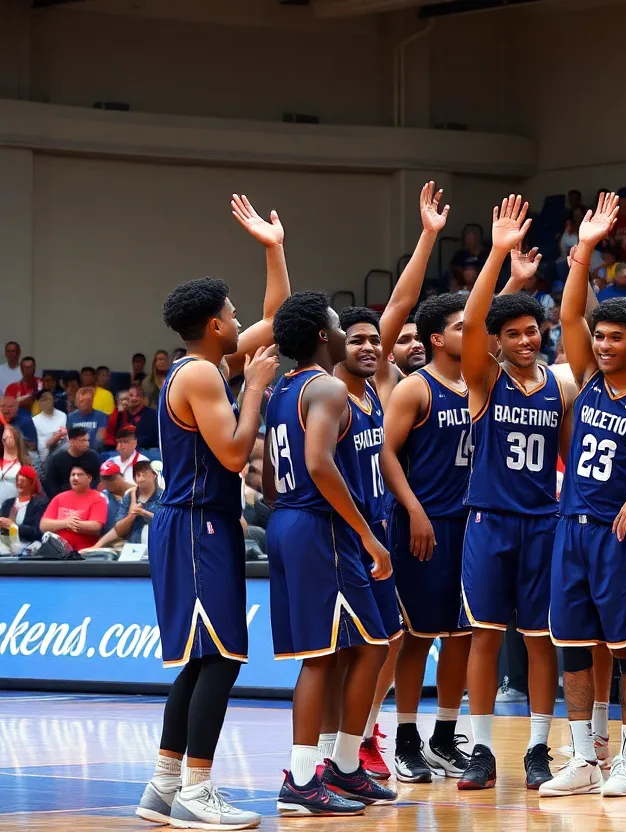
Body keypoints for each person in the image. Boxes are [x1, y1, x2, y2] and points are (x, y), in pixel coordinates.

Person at [136, 192, 289, 831]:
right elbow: (231, 455)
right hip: (198, 522)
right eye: (231, 312)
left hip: (199, 523)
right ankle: (198, 791)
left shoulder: (203, 364)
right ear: (216, 325)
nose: (238, 317)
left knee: (203, 660)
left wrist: (273, 248)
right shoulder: (202, 377)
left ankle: (163, 787)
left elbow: (277, 318)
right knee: (221, 659)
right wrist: (254, 389)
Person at [324, 184, 447, 781]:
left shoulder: (380, 385)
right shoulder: (329, 391)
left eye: (378, 340)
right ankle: (341, 749)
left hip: (383, 526)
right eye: (360, 340)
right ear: (333, 348)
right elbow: (397, 307)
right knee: (353, 647)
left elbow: (401, 307)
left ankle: (362, 740)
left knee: (389, 640)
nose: (374, 345)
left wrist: (427, 236)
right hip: (346, 531)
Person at [539, 193, 626, 798]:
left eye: (616, 337)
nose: (604, 345)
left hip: (621, 533)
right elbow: (567, 319)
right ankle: (584, 756)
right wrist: (583, 250)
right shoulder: (585, 381)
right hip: (572, 527)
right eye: (600, 337)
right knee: (573, 646)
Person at [457, 195, 574, 791]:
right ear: (498, 341)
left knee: (538, 639)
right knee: (484, 634)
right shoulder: (483, 381)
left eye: (533, 330)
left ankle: (536, 748)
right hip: (490, 520)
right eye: (515, 333)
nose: (526, 340)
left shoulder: (560, 385)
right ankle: (480, 749)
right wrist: (500, 256)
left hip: (544, 521)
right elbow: (474, 320)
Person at [263, 291, 396, 815]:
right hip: (322, 527)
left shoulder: (283, 389)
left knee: (355, 647)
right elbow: (319, 463)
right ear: (323, 334)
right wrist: (364, 533)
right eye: (340, 324)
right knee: (339, 653)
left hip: (288, 520)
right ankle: (303, 778)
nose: (346, 331)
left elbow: (273, 479)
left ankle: (341, 766)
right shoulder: (329, 388)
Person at [382, 292, 474, 782]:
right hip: (425, 524)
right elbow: (388, 456)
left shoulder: (480, 383)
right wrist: (414, 509)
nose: (471, 332)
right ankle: (404, 739)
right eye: (462, 327)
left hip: (472, 525)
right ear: (438, 338)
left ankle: (443, 736)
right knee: (418, 637)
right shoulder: (415, 389)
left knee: (463, 636)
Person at [39, 463, 107, 551]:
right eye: (72, 475)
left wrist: (71, 524)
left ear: (89, 478)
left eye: (79, 475)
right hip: (58, 551)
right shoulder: (59, 498)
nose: (75, 478)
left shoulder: (98, 498)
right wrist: (65, 523)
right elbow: (43, 525)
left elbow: (96, 526)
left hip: (85, 552)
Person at [42, 427, 101, 498]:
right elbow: (51, 484)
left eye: (88, 440)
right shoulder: (57, 459)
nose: (87, 444)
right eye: (83, 440)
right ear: (72, 442)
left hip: (89, 496)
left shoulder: (94, 457)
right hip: (63, 498)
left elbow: (98, 480)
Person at [0, 464, 46, 555]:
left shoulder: (39, 504)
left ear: (31, 484)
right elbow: (4, 532)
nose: (20, 485)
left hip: (29, 546)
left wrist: (14, 526)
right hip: (7, 546)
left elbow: (37, 532)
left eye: (24, 482)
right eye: (18, 482)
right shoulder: (8, 503)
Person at [68, 386, 108, 451]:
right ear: (77, 402)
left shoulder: (101, 416)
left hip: (94, 451)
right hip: (76, 450)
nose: (84, 404)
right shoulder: (71, 417)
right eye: (81, 401)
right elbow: (69, 438)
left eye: (87, 401)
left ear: (92, 401)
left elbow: (100, 439)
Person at [31, 388, 67, 458]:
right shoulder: (34, 420)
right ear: (38, 403)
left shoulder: (62, 415)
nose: (47, 402)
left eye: (49, 399)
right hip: (45, 455)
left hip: (61, 452)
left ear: (53, 400)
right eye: (44, 400)